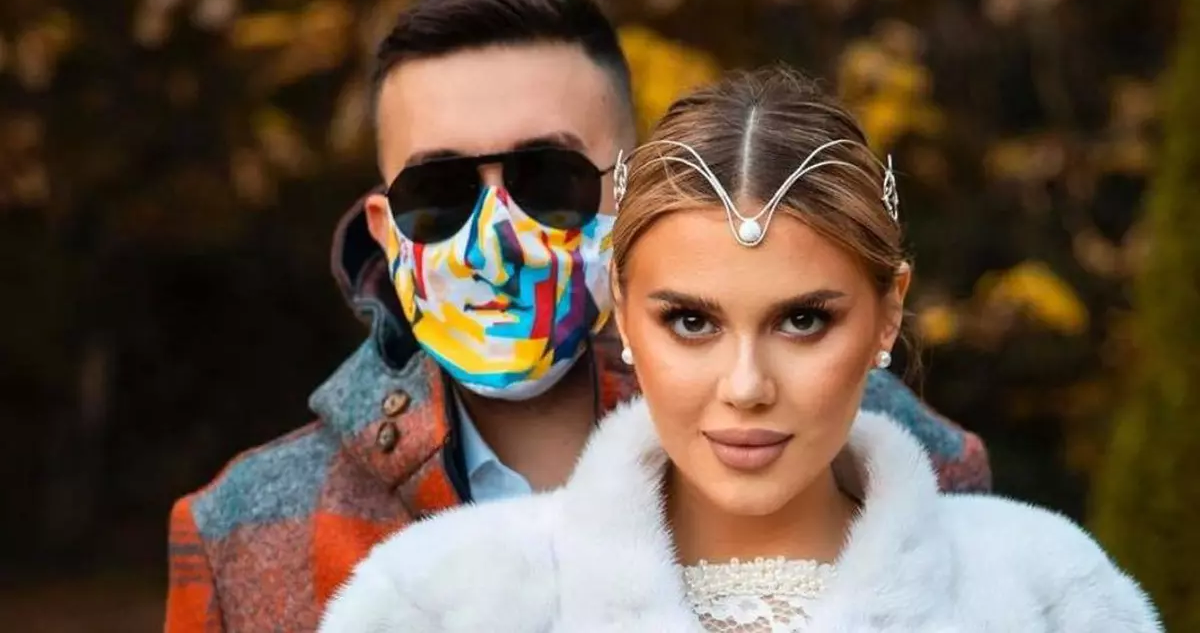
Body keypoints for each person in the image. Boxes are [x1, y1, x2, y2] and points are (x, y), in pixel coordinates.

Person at [165, 0, 991, 632]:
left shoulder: (895, 463)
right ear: (384, 229)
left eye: (548, 180)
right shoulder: (245, 530)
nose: (497, 242)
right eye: (439, 193)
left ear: (633, 197)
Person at [319, 66, 1160, 633]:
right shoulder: (443, 603)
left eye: (803, 321)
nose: (747, 385)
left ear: (887, 315)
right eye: (692, 322)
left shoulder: (1042, 597)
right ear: (622, 315)